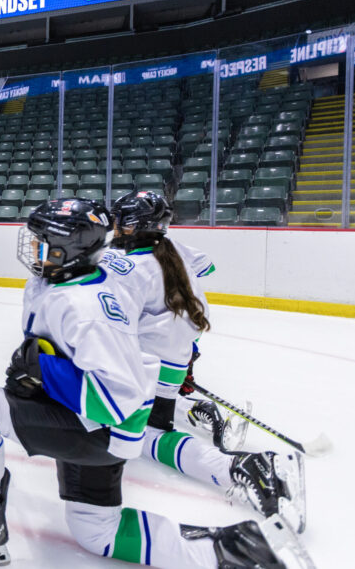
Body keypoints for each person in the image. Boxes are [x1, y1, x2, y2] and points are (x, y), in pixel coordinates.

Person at [0, 199, 311, 568]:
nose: (34, 247)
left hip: (104, 430)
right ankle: (234, 551)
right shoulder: (67, 281)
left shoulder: (85, 308)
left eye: (43, 242)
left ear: (68, 250)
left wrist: (45, 372)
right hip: (106, 422)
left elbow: (115, 402)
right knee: (96, 532)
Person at [103, 190, 305, 533]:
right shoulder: (172, 247)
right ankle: (199, 412)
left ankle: (241, 466)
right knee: (157, 408)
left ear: (134, 224)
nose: (116, 227)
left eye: (121, 221)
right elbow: (205, 266)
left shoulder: (127, 267)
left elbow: (112, 320)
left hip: (149, 362)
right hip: (181, 350)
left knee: (141, 435)